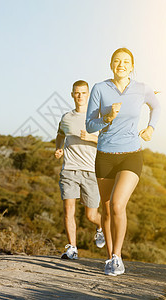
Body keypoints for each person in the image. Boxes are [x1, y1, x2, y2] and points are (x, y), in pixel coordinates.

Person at [86, 48, 161, 276]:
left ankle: (118, 257)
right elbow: (90, 125)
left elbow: (156, 106)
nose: (121, 64)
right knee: (107, 211)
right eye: (117, 61)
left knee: (118, 204)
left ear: (132, 66)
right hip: (105, 156)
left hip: (131, 154)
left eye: (126, 61)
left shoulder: (141, 89)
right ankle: (109, 258)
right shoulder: (100, 88)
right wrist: (106, 118)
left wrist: (150, 127)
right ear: (111, 65)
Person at [55, 80, 105, 260]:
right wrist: (59, 148)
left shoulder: (97, 118)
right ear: (72, 95)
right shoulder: (66, 117)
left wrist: (91, 138)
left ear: (89, 95)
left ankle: (100, 228)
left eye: (83, 93)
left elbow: (107, 144)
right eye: (77, 93)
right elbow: (60, 134)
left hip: (91, 171)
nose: (80, 96)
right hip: (69, 169)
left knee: (91, 215)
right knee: (68, 210)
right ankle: (72, 248)